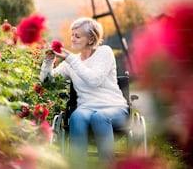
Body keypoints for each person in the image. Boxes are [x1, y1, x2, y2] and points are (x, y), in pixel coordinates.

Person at [40, 17, 129, 168]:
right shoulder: (71, 62)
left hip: (114, 108)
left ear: (91, 39)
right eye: (72, 35)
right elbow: (48, 82)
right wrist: (48, 61)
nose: (72, 39)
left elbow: (94, 80)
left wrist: (70, 60)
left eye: (77, 36)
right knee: (77, 117)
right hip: (86, 108)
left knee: (99, 117)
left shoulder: (104, 53)